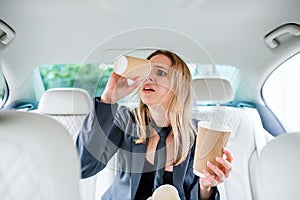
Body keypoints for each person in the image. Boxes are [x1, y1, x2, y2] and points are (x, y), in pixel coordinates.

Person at [76, 49, 233, 200]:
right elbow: (83, 167)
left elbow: (196, 193)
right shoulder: (126, 121)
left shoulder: (199, 134)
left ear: (179, 86)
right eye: (146, 72)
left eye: (160, 72)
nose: (148, 78)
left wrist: (205, 188)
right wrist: (108, 99)